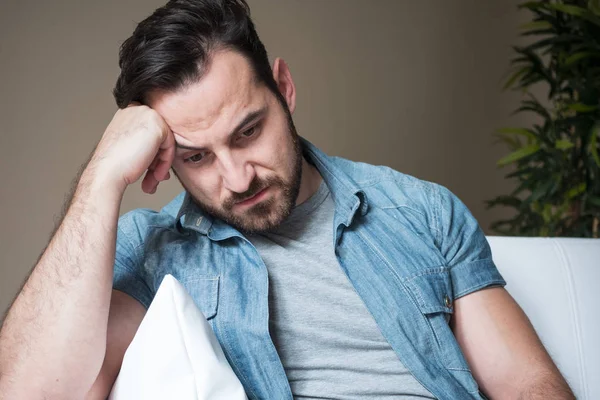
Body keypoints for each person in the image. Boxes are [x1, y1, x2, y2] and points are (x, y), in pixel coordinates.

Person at [0, 1, 575, 399]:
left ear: (285, 88)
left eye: (249, 131)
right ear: (165, 159)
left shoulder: (420, 211)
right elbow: (29, 390)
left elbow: (528, 384)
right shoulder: (152, 255)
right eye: (196, 157)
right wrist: (100, 178)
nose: (237, 177)